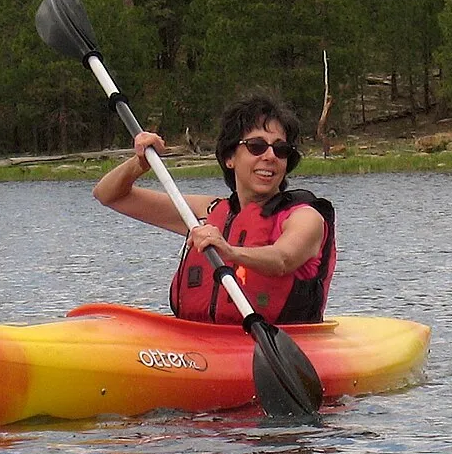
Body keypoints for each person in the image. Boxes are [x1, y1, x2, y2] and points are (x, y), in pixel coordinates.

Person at [93, 92, 336, 325]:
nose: (270, 156)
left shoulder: (304, 216)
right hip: (204, 339)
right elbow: (109, 195)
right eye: (256, 146)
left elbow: (284, 258)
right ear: (230, 157)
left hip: (280, 340)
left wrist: (230, 251)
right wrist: (139, 164)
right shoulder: (209, 210)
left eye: (281, 149)